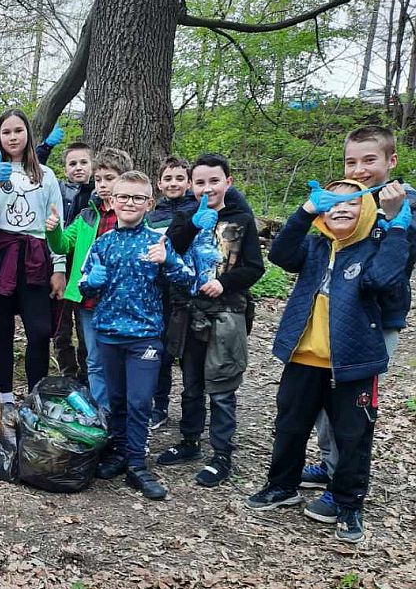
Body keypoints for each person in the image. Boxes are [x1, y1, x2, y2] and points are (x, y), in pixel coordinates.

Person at [246, 180, 411, 543]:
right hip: (303, 356)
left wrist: (398, 226)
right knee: (290, 426)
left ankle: (349, 503)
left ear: (366, 210)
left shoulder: (375, 246)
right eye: (331, 203)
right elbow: (280, 256)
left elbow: (383, 280)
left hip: (352, 363)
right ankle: (281, 486)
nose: (339, 209)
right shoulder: (316, 245)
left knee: (352, 436)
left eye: (350, 204)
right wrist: (304, 211)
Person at [300, 125, 416, 523]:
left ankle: (342, 488)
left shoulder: (405, 204)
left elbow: (394, 270)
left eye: (370, 160)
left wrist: (393, 218)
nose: (361, 169)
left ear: (391, 161)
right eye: (352, 161)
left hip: (377, 320)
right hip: (334, 316)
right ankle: (329, 463)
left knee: (353, 403)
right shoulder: (343, 198)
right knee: (322, 395)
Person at [65, 171, 195, 500]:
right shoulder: (102, 243)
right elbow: (83, 285)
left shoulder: (157, 241)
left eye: (138, 198)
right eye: (123, 197)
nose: (130, 203)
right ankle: (120, 453)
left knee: (139, 401)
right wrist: (91, 280)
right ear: (112, 201)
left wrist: (170, 263)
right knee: (118, 401)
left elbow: (187, 282)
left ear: (149, 203)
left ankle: (138, 464)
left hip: (145, 337)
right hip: (107, 334)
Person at [160, 154, 264, 487]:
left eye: (214, 181)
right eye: (200, 182)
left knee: (220, 387)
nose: (208, 188)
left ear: (227, 183)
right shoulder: (184, 216)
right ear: (191, 185)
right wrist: (192, 224)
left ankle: (221, 454)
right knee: (191, 385)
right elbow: (170, 250)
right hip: (189, 313)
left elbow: (254, 267)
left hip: (227, 313)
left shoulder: (242, 219)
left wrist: (225, 283)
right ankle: (190, 442)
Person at [0, 109, 64, 410]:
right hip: (0, 253)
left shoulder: (46, 175)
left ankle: (35, 395)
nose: (12, 137)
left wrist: (60, 268)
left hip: (36, 256)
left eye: (18, 130)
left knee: (40, 331)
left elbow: (56, 222)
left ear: (28, 134)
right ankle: (5, 396)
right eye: (6, 132)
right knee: (1, 328)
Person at [44, 147, 133, 413]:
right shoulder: (87, 215)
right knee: (94, 359)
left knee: (119, 359)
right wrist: (53, 229)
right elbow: (62, 245)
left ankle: (123, 411)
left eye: (109, 178)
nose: (103, 184)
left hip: (120, 302)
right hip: (89, 301)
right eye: (99, 179)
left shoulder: (129, 216)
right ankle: (102, 413)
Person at [146, 156, 196, 430]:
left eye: (179, 178)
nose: (173, 183)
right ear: (159, 183)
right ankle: (160, 404)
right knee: (161, 350)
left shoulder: (196, 210)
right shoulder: (153, 215)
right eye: (168, 178)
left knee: (188, 352)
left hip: (187, 291)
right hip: (159, 292)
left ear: (188, 183)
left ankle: (193, 409)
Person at [52, 142, 95, 380]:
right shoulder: (58, 189)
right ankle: (68, 373)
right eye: (72, 163)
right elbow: (36, 169)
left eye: (83, 162)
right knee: (61, 326)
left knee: (84, 326)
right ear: (65, 168)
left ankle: (87, 375)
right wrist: (46, 147)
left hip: (84, 270)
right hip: (60, 265)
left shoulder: (98, 194)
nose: (78, 168)